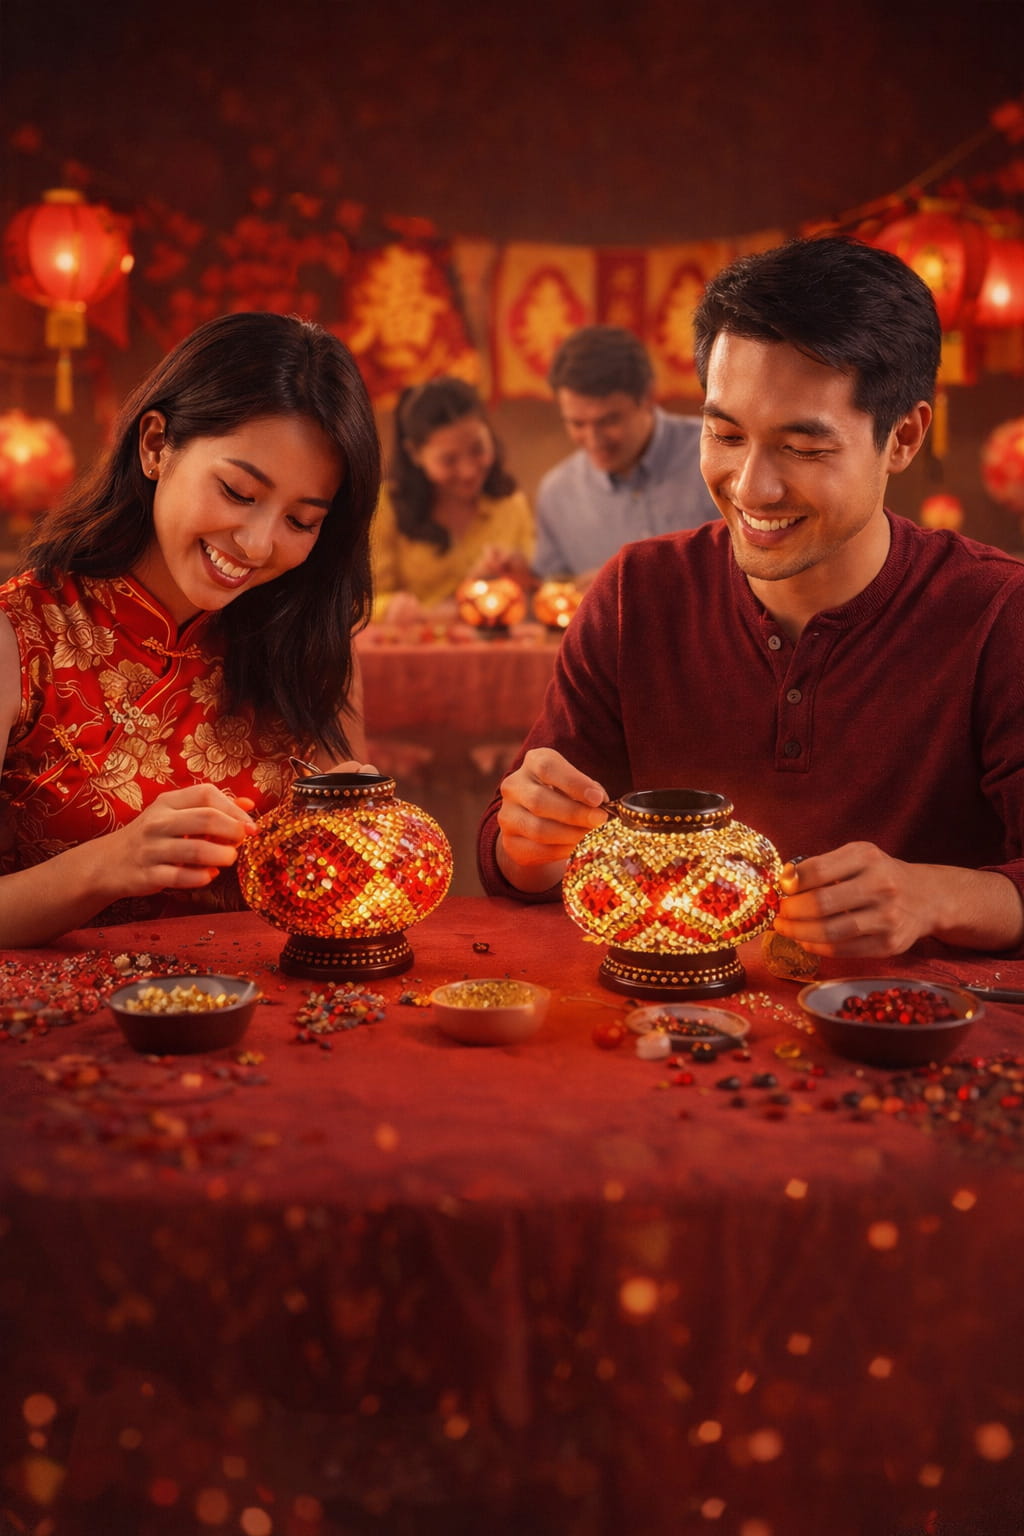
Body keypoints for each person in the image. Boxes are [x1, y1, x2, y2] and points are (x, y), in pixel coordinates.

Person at [479, 236, 1024, 961]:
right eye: (726, 434)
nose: (751, 487)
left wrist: (935, 897)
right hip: (671, 1022)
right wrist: (529, 844)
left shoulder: (998, 613)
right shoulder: (637, 594)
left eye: (803, 448)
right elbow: (515, 854)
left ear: (903, 437)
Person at [0, 310, 381, 945]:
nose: (257, 545)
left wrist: (356, 836)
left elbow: (344, 874)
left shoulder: (306, 640)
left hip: (267, 1013)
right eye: (237, 492)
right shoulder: (22, 635)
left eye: (302, 521)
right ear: (155, 446)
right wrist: (109, 865)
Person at [533, 325, 717, 586]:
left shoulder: (716, 453)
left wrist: (625, 584)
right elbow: (553, 597)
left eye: (609, 421)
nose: (594, 440)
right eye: (577, 424)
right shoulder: (557, 495)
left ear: (647, 397)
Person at [370, 377, 534, 623]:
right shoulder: (386, 506)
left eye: (478, 449)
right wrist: (392, 608)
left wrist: (519, 573)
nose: (468, 471)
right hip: (413, 650)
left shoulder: (511, 503)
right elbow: (357, 603)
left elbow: (533, 595)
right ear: (415, 454)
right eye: (449, 460)